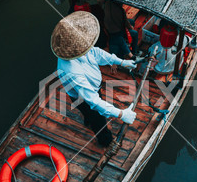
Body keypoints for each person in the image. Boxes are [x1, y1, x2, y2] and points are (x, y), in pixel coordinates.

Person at [51, 11, 137, 146]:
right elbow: (93, 101)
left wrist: (121, 62)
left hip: (94, 87)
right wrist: (121, 114)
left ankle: (88, 119)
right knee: (98, 120)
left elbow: (97, 53)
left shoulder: (81, 46)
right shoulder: (72, 70)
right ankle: (106, 141)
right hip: (81, 96)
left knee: (90, 113)